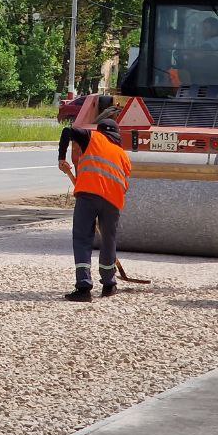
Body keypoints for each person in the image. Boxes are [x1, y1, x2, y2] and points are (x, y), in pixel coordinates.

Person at [58, 115, 131, 302]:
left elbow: (67, 130)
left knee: (82, 239)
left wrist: (61, 157)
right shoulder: (123, 155)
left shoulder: (92, 137)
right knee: (109, 240)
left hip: (88, 198)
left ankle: (83, 287)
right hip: (113, 201)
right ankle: (109, 285)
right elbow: (124, 184)